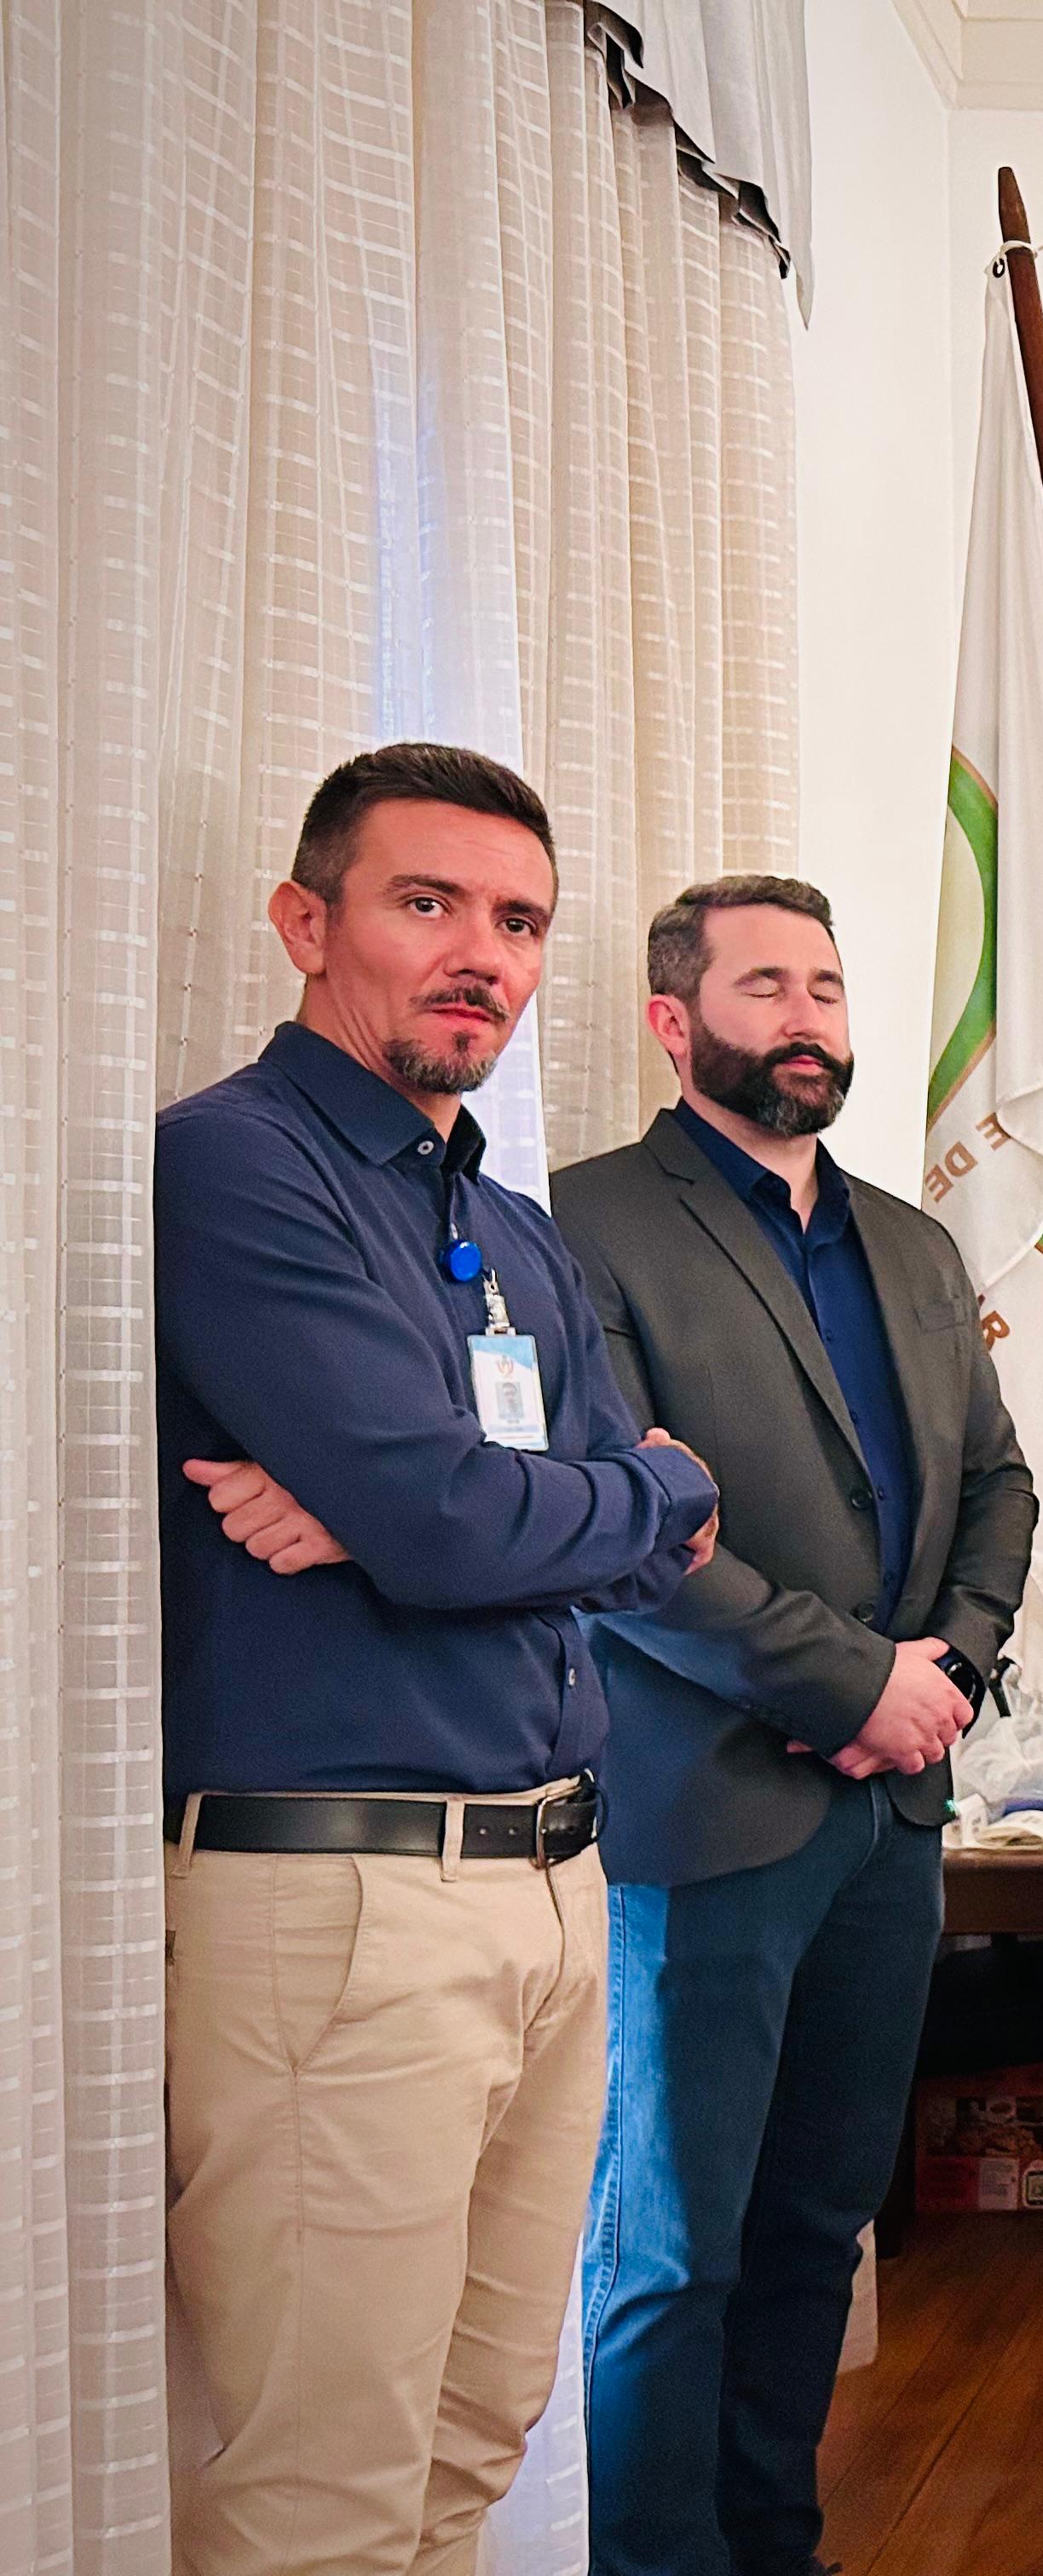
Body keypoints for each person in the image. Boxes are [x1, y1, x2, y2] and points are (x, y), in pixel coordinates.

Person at [156, 743, 721, 2576]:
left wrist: (481, 1505)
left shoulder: (511, 1229)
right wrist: (485, 1505)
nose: (483, 953)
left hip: (554, 1890)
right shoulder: (236, 1163)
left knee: (472, 2452)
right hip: (343, 1908)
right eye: (428, 903)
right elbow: (469, 1520)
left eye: (520, 921)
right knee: (324, 2495)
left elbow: (675, 1523)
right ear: (305, 922)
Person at [552, 874, 1038, 2576]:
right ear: (673, 1022)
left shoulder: (912, 1242)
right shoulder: (583, 1225)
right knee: (672, 2254)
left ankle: (776, 2548)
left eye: (825, 987)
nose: (808, 1018)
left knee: (820, 2225)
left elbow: (998, 1484)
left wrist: (945, 1673)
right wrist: (854, 1688)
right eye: (766, 987)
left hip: (889, 1823)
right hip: (702, 1815)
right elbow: (620, 1533)